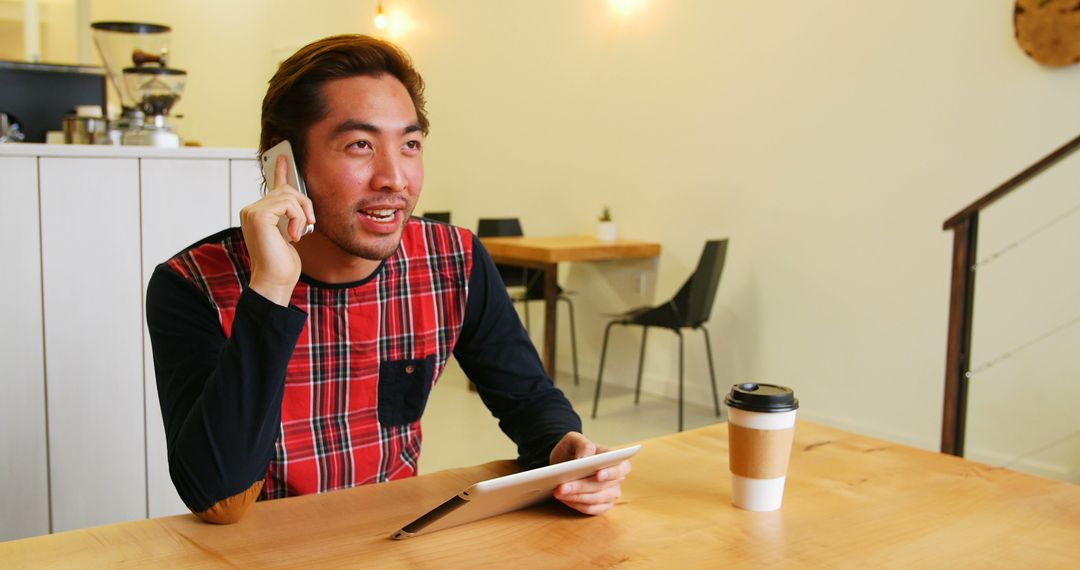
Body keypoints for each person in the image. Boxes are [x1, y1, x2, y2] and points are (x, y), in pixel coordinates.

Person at [146, 34, 631, 524]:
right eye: (360, 145)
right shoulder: (193, 284)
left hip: (394, 539)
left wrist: (563, 450)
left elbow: (528, 398)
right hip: (257, 549)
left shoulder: (452, 260)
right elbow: (214, 497)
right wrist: (271, 289)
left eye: (411, 144)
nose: (395, 178)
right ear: (284, 163)